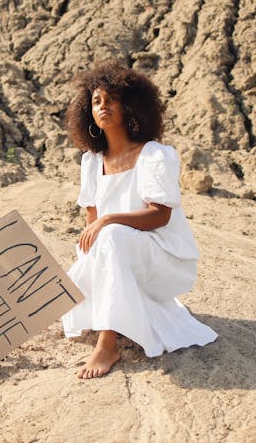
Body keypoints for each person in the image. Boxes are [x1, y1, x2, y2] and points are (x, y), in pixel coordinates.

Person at [62, 60, 217, 379]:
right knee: (71, 283)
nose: (103, 106)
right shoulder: (91, 162)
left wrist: (108, 222)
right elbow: (91, 224)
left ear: (131, 105)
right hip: (116, 250)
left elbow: (159, 216)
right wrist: (90, 261)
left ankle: (108, 345)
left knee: (112, 235)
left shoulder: (155, 155)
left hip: (161, 258)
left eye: (111, 99)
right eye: (96, 101)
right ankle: (119, 312)